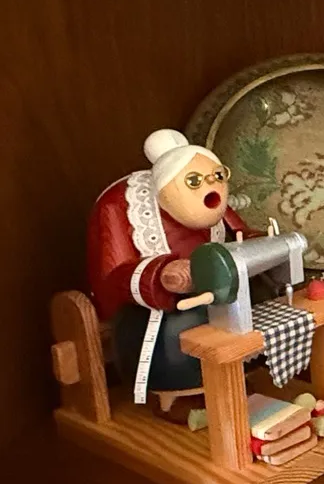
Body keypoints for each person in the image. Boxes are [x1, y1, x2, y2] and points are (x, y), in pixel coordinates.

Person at [86, 129, 251, 421]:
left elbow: (241, 235)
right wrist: (159, 273)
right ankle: (173, 395)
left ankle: (232, 378)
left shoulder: (214, 206)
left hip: (215, 302)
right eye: (194, 181)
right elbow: (111, 278)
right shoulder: (120, 206)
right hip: (155, 312)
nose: (211, 186)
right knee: (175, 333)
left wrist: (261, 244)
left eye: (218, 175)